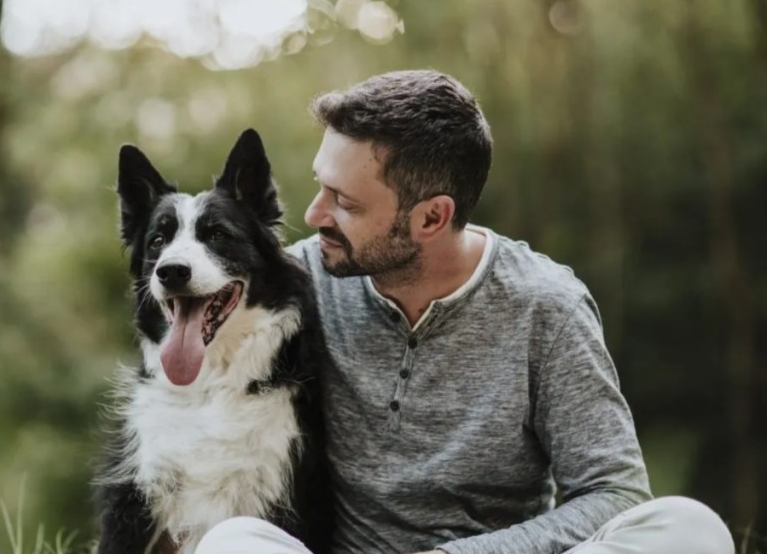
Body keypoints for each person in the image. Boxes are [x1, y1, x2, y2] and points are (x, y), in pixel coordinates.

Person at [194, 70, 734, 553]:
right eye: (321, 187)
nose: (315, 215)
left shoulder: (546, 307)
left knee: (690, 529)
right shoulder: (296, 282)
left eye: (346, 203)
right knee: (232, 541)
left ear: (431, 218)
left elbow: (615, 492)